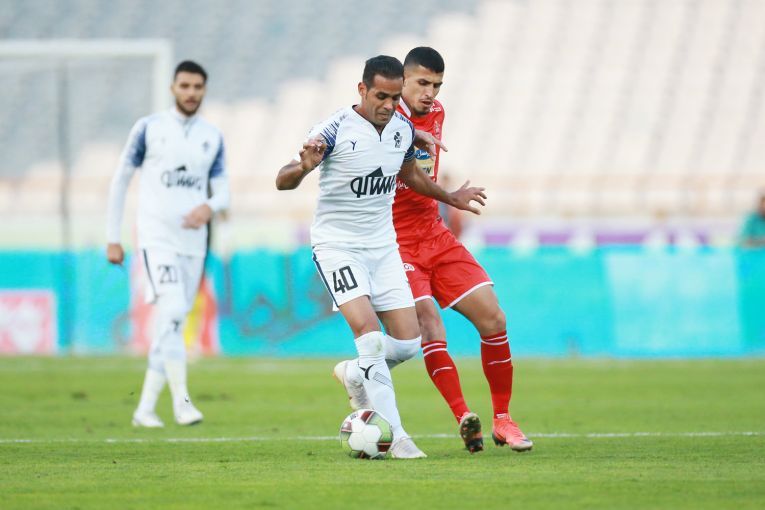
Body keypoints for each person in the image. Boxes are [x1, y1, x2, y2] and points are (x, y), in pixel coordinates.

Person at [276, 55, 486, 459]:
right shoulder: (333, 129)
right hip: (337, 247)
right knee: (370, 337)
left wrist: (450, 197)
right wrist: (302, 167)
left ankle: (356, 373)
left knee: (408, 344)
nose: (389, 105)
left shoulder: (401, 130)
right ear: (362, 90)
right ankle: (398, 438)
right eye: (380, 97)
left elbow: (410, 176)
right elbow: (282, 180)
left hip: (383, 247)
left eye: (394, 97)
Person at [394, 47, 531, 453]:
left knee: (494, 317)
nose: (430, 93)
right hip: (394, 241)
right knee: (429, 323)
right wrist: (451, 196)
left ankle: (503, 419)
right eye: (422, 83)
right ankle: (463, 416)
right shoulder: (383, 119)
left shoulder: (436, 113)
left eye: (437, 85)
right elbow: (408, 174)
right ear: (401, 81)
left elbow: (420, 171)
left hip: (433, 233)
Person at [106, 60, 230, 428]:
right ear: (173, 88)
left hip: (193, 243)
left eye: (197, 87)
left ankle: (144, 409)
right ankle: (182, 403)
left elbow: (223, 190)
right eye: (185, 86)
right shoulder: (149, 128)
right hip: (157, 238)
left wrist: (209, 206)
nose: (191, 93)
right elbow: (120, 179)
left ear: (204, 90)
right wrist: (113, 237)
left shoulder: (212, 136)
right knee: (174, 310)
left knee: (171, 322)